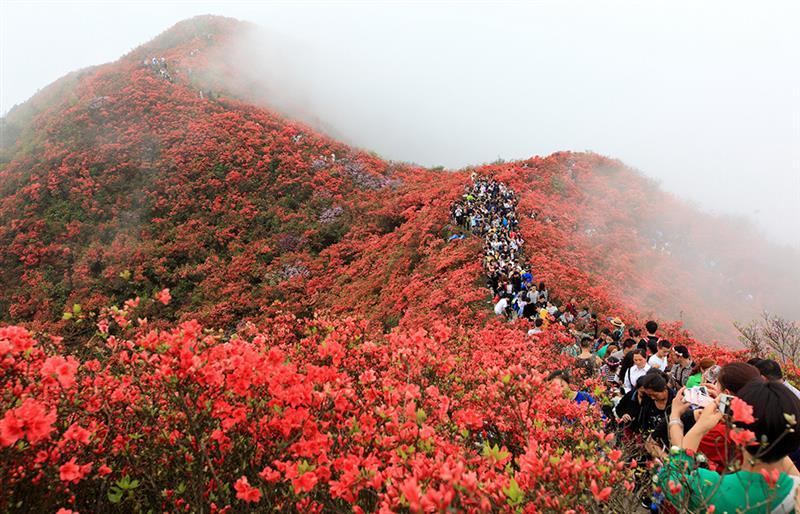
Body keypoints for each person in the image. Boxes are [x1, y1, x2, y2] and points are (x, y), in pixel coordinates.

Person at [660, 380, 800, 513]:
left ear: (737, 433)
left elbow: (670, 478)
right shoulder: (794, 493)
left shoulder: (709, 487)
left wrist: (688, 423)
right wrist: (777, 432)